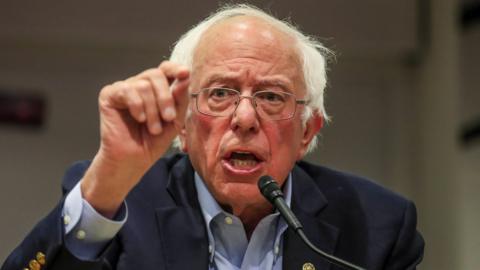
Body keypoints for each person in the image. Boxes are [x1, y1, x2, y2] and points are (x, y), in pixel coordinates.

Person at [1, 4, 424, 270]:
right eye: (220, 93)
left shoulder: (377, 225)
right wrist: (107, 181)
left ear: (307, 131)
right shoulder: (118, 201)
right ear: (181, 124)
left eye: (271, 96)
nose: (243, 118)